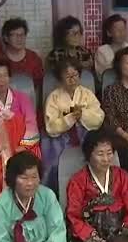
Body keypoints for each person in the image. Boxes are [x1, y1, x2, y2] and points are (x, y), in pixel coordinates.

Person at [66, 130, 128, 242]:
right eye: (100, 154)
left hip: (120, 231)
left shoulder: (122, 176)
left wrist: (123, 235)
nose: (106, 159)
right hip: (90, 236)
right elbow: (74, 216)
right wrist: (96, 240)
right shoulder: (78, 180)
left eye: (109, 153)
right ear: (89, 154)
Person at [0, 60, 42, 210]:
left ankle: (28, 205)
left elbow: (31, 122)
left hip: (21, 145)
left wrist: (24, 145)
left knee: (28, 168)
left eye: (5, 75)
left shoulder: (22, 98)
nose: (2, 80)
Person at [42, 59, 105, 187]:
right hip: (60, 140)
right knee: (56, 166)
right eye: (68, 76)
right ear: (61, 78)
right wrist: (69, 118)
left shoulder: (87, 94)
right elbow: (51, 125)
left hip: (86, 136)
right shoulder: (53, 97)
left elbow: (99, 117)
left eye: (75, 75)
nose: (72, 79)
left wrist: (83, 114)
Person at [0, 17, 46, 88]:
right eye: (14, 35)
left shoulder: (33, 58)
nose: (19, 38)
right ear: (6, 38)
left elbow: (39, 86)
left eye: (22, 35)